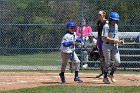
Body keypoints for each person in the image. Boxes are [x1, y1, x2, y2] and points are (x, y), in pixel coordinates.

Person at [102, 12, 124, 84]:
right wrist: (114, 40)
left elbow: (116, 35)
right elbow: (105, 38)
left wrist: (120, 40)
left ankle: (111, 74)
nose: (114, 21)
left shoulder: (116, 26)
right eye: (113, 20)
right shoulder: (106, 26)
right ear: (110, 19)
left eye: (116, 20)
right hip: (107, 45)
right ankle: (105, 77)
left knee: (118, 62)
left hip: (114, 46)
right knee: (107, 63)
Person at [96, 10, 108, 78]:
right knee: (101, 57)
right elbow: (99, 34)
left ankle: (105, 73)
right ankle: (103, 72)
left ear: (104, 15)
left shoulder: (106, 22)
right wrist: (97, 43)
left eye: (100, 14)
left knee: (105, 57)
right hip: (100, 41)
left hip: (105, 41)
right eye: (98, 14)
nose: (98, 16)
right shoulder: (98, 22)